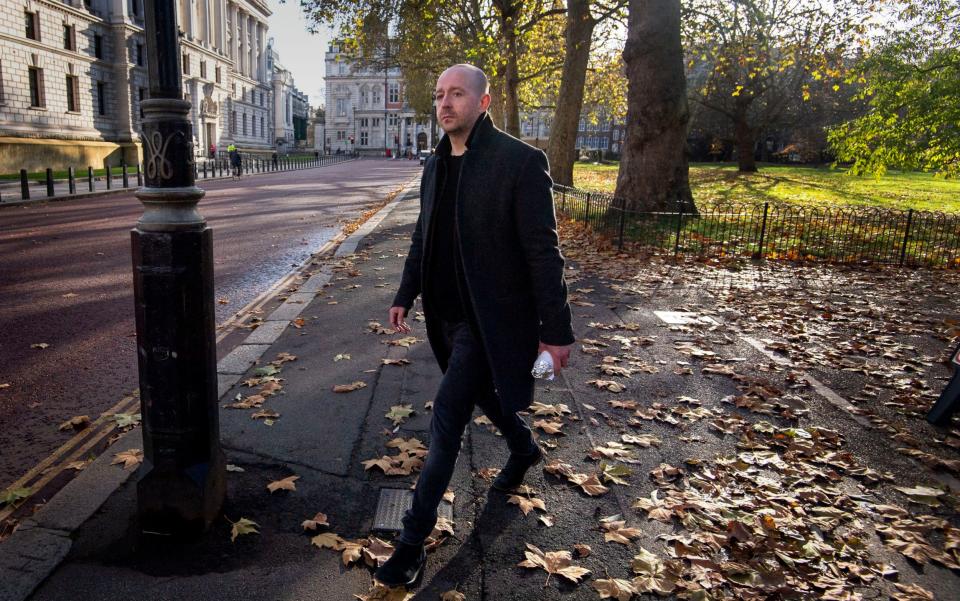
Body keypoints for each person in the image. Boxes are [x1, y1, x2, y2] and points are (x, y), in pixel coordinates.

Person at [375, 64, 574, 588]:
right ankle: (524, 447)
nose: (445, 103)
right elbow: (424, 234)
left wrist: (556, 331)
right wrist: (405, 292)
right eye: (440, 95)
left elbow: (543, 253)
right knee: (483, 396)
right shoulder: (436, 164)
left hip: (491, 321)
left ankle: (411, 541)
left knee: (446, 416)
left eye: (457, 94)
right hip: (446, 316)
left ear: (483, 102)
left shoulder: (520, 162)